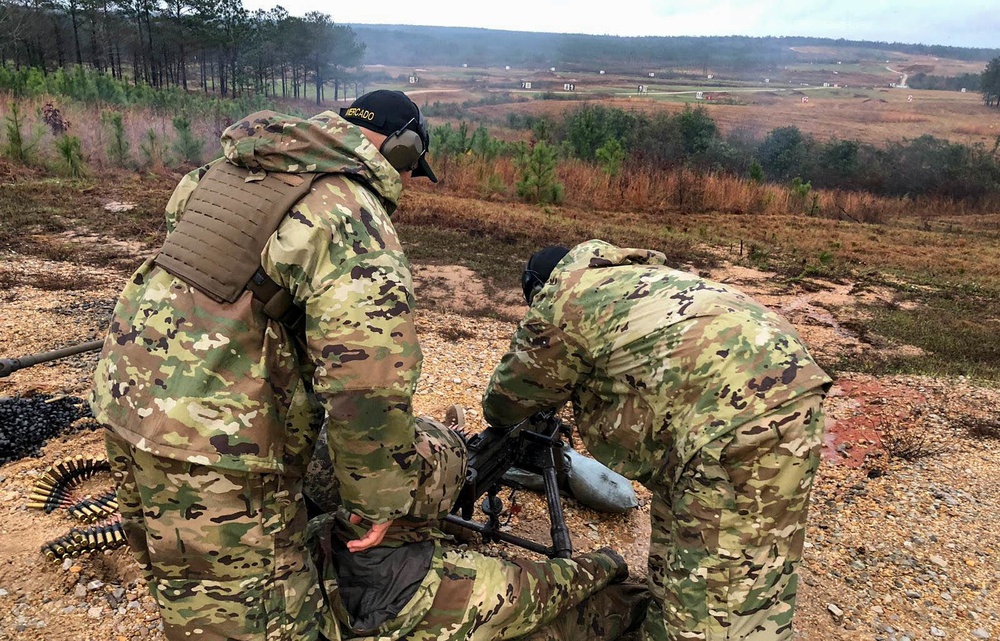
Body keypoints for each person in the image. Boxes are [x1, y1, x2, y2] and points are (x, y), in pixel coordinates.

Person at [90, 90, 437, 641]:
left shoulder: (221, 170)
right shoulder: (348, 210)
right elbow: (366, 380)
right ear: (403, 149)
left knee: (182, 581)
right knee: (259, 618)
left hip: (126, 403)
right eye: (414, 170)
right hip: (220, 444)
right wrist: (376, 499)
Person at [482, 240, 833, 641]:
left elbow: (506, 402)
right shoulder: (632, 278)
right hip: (779, 389)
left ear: (535, 287)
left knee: (717, 601)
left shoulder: (563, 300)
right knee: (687, 545)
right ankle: (667, 620)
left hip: (734, 424)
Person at [306, 415, 651, 641]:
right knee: (570, 620)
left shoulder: (311, 534)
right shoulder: (468, 583)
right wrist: (608, 563)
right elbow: (554, 586)